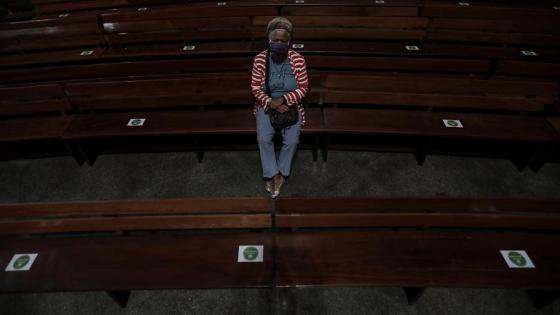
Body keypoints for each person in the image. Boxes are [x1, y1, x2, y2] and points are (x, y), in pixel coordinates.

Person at [250, 17, 309, 198]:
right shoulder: (260, 59)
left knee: (291, 141)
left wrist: (283, 99)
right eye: (275, 40)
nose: (279, 43)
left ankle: (282, 172)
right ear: (269, 40)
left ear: (289, 42)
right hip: (266, 104)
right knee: (263, 139)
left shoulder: (297, 59)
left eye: (283, 41)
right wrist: (271, 103)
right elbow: (254, 87)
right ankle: (272, 173)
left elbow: (303, 87)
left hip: (290, 105)